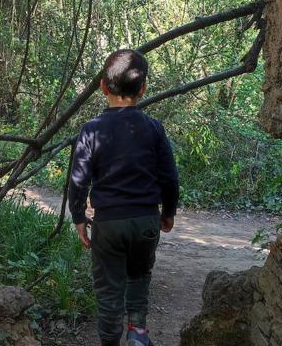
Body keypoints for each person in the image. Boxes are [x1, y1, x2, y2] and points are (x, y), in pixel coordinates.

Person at [68, 49, 180, 346]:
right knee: (139, 276)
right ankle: (138, 334)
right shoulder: (154, 128)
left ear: (103, 87)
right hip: (145, 220)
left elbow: (78, 180)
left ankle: (110, 342)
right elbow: (169, 176)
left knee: (108, 288)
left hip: (109, 223)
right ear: (143, 89)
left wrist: (78, 217)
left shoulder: (90, 130)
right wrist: (168, 212)